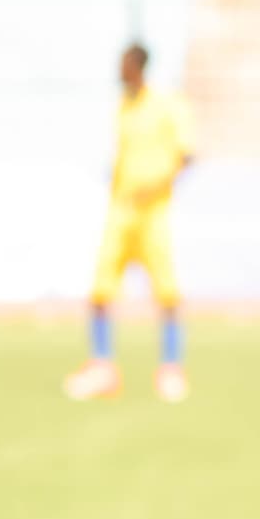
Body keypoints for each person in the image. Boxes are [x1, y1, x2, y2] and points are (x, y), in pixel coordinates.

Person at [65, 43, 194, 402]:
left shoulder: (166, 105)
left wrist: (157, 184)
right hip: (121, 211)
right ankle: (102, 367)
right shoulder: (123, 107)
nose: (119, 72)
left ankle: (171, 369)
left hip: (153, 211)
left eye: (124, 66)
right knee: (100, 290)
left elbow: (187, 154)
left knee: (167, 292)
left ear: (137, 67)